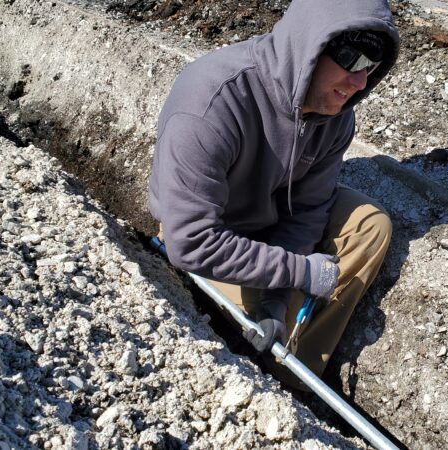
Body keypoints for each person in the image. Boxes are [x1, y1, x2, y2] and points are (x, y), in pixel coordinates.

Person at [148, 0, 399, 388]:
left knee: (371, 225)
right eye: (351, 60)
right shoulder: (212, 101)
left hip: (270, 224)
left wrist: (275, 300)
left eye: (371, 67)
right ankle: (262, 377)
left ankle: (293, 374)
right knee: (287, 281)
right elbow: (192, 241)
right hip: (212, 238)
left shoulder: (336, 114)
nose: (359, 82)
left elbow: (309, 208)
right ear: (311, 45)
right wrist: (300, 272)